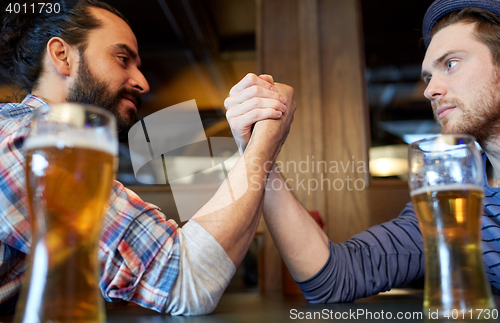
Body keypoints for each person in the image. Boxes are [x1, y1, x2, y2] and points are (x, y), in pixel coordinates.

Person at [0, 0, 295, 315]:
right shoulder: (21, 141)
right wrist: (265, 139)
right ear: (62, 56)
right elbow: (185, 279)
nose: (143, 82)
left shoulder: (54, 147)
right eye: (122, 58)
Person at [225, 0, 500, 303]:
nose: (429, 90)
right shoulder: (450, 199)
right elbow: (333, 278)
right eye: (428, 77)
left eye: (450, 64)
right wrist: (258, 149)